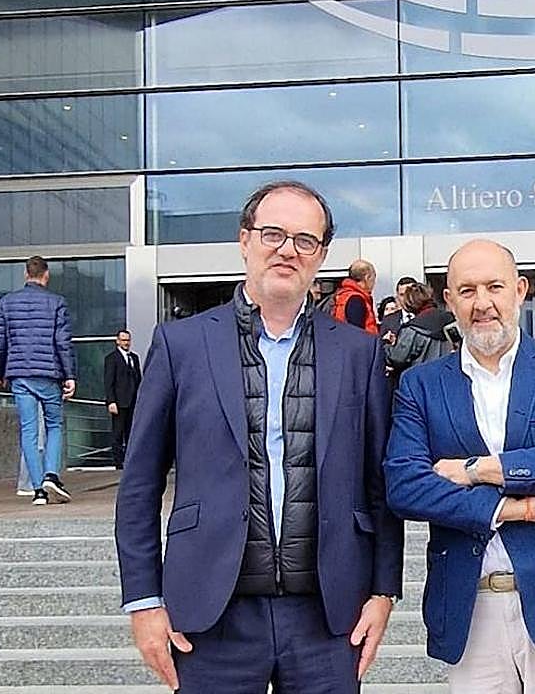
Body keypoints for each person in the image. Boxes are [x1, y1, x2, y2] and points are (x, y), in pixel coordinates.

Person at [115, 181, 404, 693]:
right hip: (208, 616)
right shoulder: (181, 344)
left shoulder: (359, 354)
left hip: (328, 616)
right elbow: (139, 482)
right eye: (273, 233)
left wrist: (383, 591)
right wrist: (143, 601)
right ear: (244, 239)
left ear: (322, 254)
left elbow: (378, 484)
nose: (288, 249)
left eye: (304, 240)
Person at [384, 239, 535, 694]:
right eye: (467, 290)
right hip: (470, 605)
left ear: (520, 290)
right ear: (449, 300)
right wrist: (510, 511)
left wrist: (479, 469)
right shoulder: (421, 385)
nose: (482, 303)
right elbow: (405, 484)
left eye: (494, 286)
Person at [0, 255, 77, 506]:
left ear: (25, 274)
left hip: (20, 375)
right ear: (46, 275)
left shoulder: (7, 302)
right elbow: (63, 343)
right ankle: (52, 474)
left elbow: (0, 342)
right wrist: (69, 375)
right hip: (48, 374)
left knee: (28, 431)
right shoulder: (56, 302)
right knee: (54, 425)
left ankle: (38, 489)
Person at [385, 282, 458, 380]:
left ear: (409, 302)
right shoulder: (451, 320)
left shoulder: (412, 329)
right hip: (450, 377)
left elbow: (397, 358)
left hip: (422, 381)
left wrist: (387, 345)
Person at [103, 329, 142, 470]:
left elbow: (139, 379)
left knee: (131, 432)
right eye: (123, 340)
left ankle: (131, 461)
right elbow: (109, 381)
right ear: (117, 341)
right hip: (119, 402)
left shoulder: (134, 358)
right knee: (118, 433)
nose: (126, 343)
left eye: (128, 340)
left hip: (132, 401)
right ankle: (118, 463)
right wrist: (111, 401)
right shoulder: (111, 358)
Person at [332, 259, 379, 333]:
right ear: (367, 277)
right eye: (373, 278)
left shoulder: (343, 296)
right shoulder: (357, 300)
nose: (374, 283)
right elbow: (358, 333)